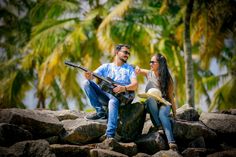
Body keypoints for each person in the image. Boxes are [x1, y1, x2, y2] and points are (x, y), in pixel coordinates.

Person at [83, 44, 138, 140]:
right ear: (117, 52)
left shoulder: (129, 69)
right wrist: (89, 76)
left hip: (121, 98)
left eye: (128, 53)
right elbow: (92, 76)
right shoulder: (106, 66)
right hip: (105, 96)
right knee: (86, 83)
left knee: (112, 101)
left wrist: (124, 88)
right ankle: (100, 112)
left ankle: (110, 135)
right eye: (125, 52)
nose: (127, 55)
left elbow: (135, 85)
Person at [135, 53, 178, 150]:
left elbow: (171, 97)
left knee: (163, 115)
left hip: (164, 102)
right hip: (152, 102)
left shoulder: (168, 79)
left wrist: (175, 114)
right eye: (150, 62)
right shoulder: (148, 73)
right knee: (150, 99)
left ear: (160, 64)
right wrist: (137, 68)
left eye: (152, 62)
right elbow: (138, 70)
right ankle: (159, 126)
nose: (150, 64)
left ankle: (171, 142)